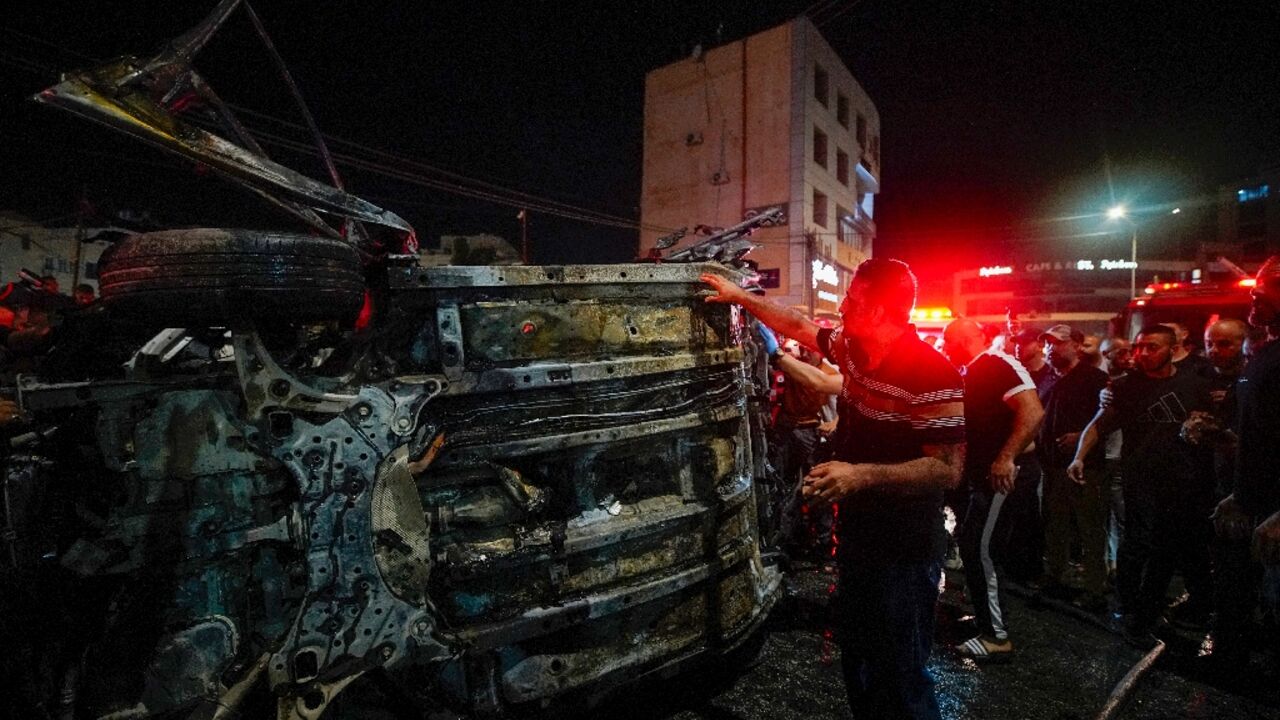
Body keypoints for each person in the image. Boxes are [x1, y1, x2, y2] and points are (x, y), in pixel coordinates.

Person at [703, 258, 964, 720]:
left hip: (905, 552)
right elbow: (801, 327)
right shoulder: (851, 349)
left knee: (901, 673)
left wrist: (860, 474)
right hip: (860, 541)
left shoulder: (932, 372)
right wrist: (741, 297)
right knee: (859, 661)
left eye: (853, 300)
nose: (843, 306)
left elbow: (947, 468)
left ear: (880, 311)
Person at [1069, 325, 1216, 644]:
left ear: (1173, 348)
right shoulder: (1125, 387)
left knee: (1169, 547)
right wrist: (1079, 456)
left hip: (1184, 480)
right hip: (1141, 478)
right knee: (1136, 543)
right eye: (1139, 347)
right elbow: (1100, 424)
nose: (1143, 354)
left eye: (1152, 347)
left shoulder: (1197, 384)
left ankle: (1152, 608)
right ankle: (1128, 606)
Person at [941, 318, 1043, 661]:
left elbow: (1032, 412)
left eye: (953, 339)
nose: (949, 344)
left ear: (976, 336)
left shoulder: (998, 363)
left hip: (1007, 473)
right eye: (947, 339)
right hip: (989, 474)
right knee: (978, 546)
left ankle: (997, 637)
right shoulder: (972, 370)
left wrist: (1006, 458)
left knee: (979, 547)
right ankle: (989, 620)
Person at [1210, 256, 1280, 668]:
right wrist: (1238, 492)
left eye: (1263, 291)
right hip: (1254, 508)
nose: (1252, 298)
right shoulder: (1265, 355)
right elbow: (1259, 435)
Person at [1037, 324, 1109, 607]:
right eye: (1048, 344)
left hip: (1086, 468)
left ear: (1077, 345)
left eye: (1058, 343)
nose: (1051, 349)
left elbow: (1109, 419)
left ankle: (1095, 590)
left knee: (1090, 529)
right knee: (1056, 526)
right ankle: (1055, 579)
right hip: (1053, 466)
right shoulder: (1046, 379)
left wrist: (1081, 437)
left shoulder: (1095, 379)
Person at [1099, 337, 1134, 581]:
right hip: (1103, 456)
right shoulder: (1100, 381)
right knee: (1102, 515)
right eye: (1121, 351)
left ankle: (1121, 565)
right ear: (1106, 353)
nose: (1128, 355)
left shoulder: (1133, 381)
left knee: (1122, 515)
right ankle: (1107, 564)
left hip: (1122, 455)